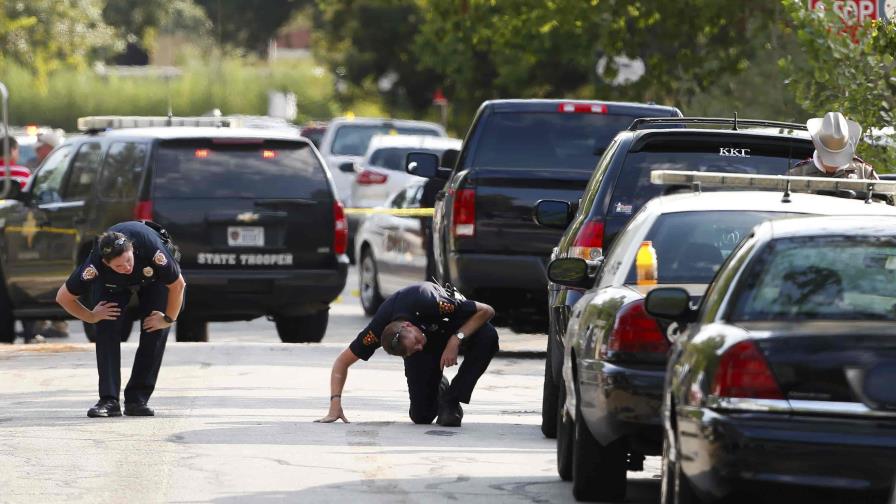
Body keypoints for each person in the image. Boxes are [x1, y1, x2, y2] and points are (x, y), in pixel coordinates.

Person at [317, 282, 497, 427]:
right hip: (431, 341)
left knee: (487, 336)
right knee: (422, 416)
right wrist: (335, 405)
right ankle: (439, 385)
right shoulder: (376, 331)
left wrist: (455, 340)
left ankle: (452, 398)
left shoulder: (429, 301)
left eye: (416, 341)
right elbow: (342, 362)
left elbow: (487, 310)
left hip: (452, 328)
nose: (419, 346)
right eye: (413, 351)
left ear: (408, 326)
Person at [55, 221, 186, 418]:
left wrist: (168, 319)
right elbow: (63, 297)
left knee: (154, 328)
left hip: (154, 279)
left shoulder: (152, 249)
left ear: (132, 249)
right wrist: (91, 316)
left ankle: (137, 400)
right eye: (119, 265)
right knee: (106, 326)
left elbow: (178, 285)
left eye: (128, 260)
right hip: (113, 285)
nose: (126, 267)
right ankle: (109, 400)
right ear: (106, 263)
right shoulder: (95, 265)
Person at [787, 111, 878, 180]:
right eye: (829, 154)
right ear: (815, 143)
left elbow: (880, 199)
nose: (833, 161)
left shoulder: (865, 174)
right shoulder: (796, 176)